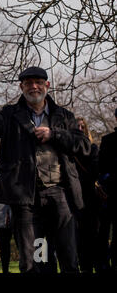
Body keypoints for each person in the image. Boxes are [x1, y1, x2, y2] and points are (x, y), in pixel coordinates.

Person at [0, 66, 91, 273]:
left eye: (38, 82)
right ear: (21, 87)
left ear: (47, 85)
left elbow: (84, 146)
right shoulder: (10, 115)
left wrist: (54, 134)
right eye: (28, 83)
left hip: (59, 195)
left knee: (68, 257)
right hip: (26, 200)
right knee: (34, 261)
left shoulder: (63, 116)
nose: (34, 87)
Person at [74, 117, 100, 273]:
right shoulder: (68, 151)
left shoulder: (93, 149)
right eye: (76, 126)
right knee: (79, 240)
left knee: (93, 237)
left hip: (91, 199)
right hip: (74, 200)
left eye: (82, 126)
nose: (79, 128)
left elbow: (94, 172)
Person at [97, 108, 117, 273]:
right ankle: (104, 264)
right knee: (104, 232)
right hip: (110, 194)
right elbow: (102, 168)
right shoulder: (108, 141)